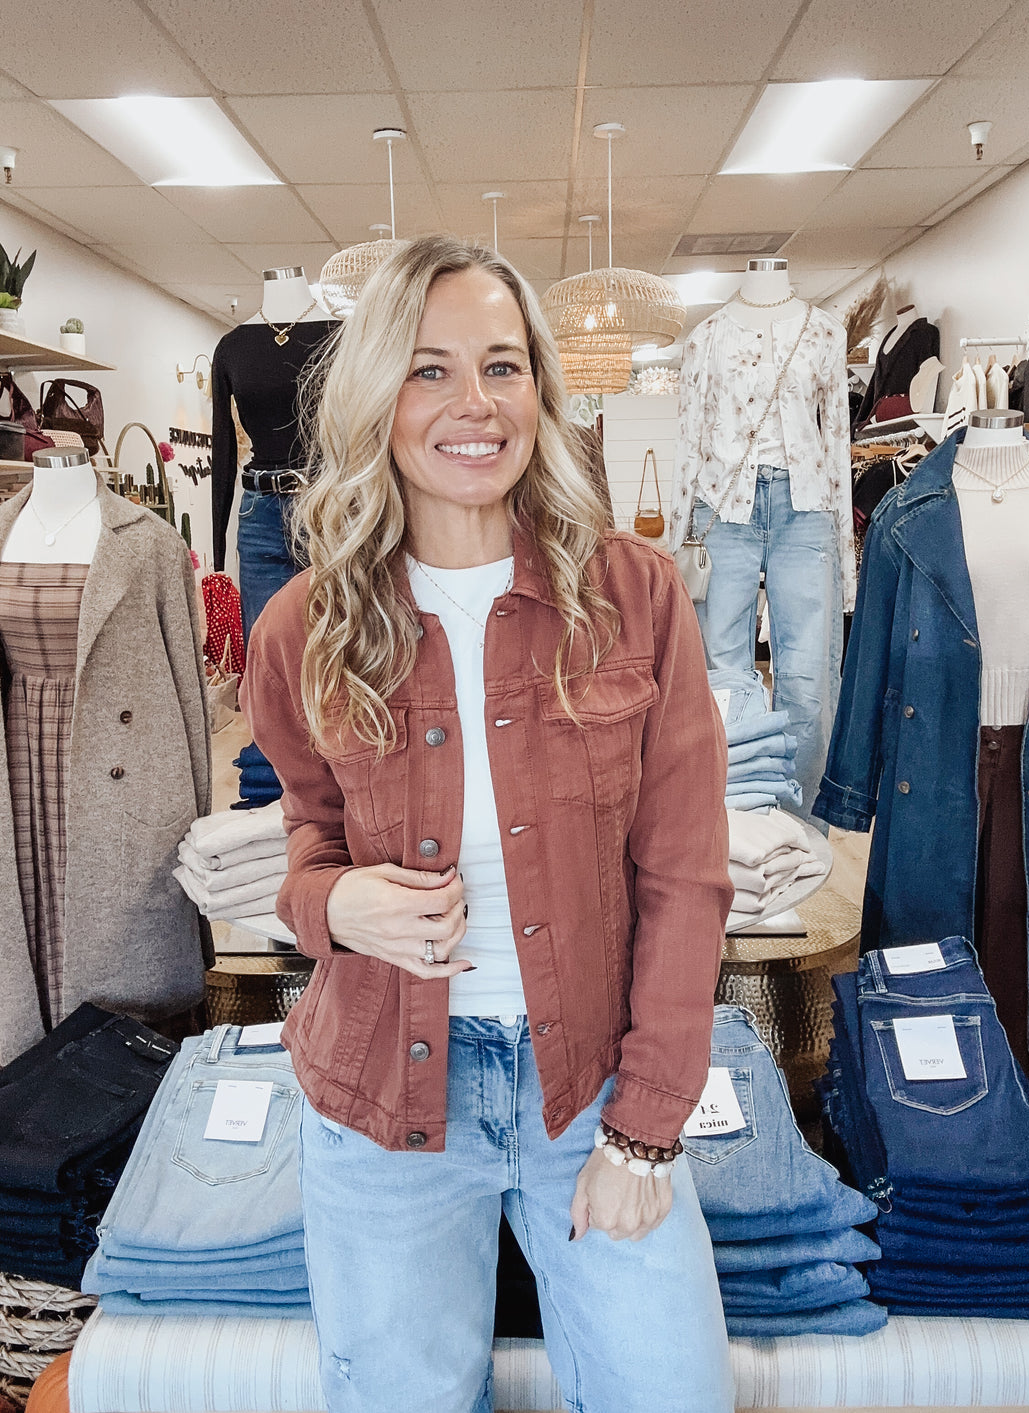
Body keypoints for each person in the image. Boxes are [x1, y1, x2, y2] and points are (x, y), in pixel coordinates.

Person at [241, 235, 735, 1413]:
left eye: (502, 366)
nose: (475, 404)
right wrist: (333, 904)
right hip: (382, 1098)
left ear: (540, 391)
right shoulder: (303, 625)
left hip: (594, 1085)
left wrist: (646, 1130)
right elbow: (306, 838)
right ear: (377, 394)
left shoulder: (632, 595)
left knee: (671, 1394)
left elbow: (685, 872)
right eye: (430, 369)